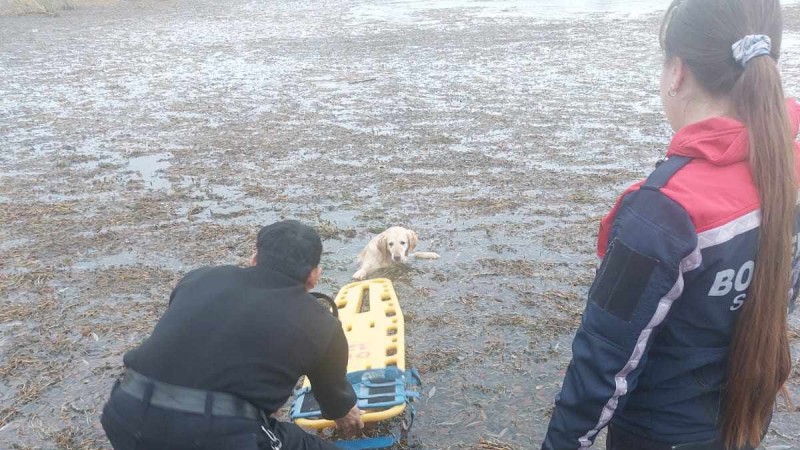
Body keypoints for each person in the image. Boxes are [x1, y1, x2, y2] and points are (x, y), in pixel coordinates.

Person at [541, 1, 799, 449]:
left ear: (677, 72)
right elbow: (782, 295)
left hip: (660, 435)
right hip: (745, 423)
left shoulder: (666, 210)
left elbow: (603, 362)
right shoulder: (788, 171)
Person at [101, 220, 364, 450]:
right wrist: (345, 414)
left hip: (124, 414)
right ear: (313, 276)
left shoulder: (198, 278)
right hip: (213, 437)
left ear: (254, 259)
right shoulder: (322, 324)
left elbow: (191, 342)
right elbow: (334, 398)